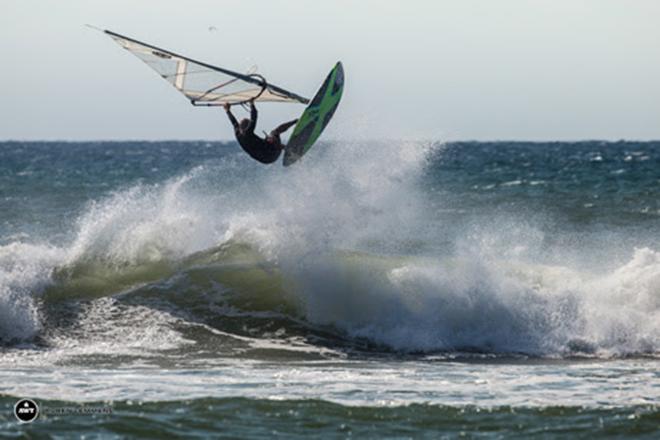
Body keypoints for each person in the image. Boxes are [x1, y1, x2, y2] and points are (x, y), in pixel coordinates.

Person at [223, 99, 298, 164]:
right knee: (274, 132)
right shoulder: (247, 132)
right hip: (271, 154)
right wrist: (252, 104)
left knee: (271, 139)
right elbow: (254, 117)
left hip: (264, 159)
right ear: (247, 126)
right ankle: (295, 124)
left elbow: (234, 122)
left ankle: (287, 148)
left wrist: (227, 111)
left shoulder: (238, 133)